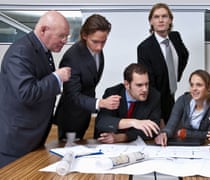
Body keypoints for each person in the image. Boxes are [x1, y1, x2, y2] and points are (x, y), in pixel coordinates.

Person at [0, 11, 71, 168]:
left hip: (33, 135)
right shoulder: (20, 52)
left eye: (66, 36)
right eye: (61, 36)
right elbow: (26, 93)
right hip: (17, 141)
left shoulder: (42, 50)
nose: (65, 41)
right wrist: (57, 77)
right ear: (44, 30)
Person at [54, 14, 121, 141]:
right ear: (84, 35)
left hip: (85, 114)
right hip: (70, 117)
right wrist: (100, 103)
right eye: (95, 42)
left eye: (103, 42)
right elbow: (73, 95)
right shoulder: (72, 58)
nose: (99, 47)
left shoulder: (97, 49)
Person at [137, 3, 189, 126]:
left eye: (164, 16)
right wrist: (158, 116)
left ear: (170, 20)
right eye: (156, 17)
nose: (160, 20)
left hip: (172, 95)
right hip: (157, 100)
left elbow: (184, 55)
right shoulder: (144, 48)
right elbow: (149, 84)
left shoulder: (175, 37)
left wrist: (176, 76)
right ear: (151, 21)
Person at [155, 69, 210, 146]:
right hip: (183, 145)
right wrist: (164, 133)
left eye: (199, 85)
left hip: (204, 146)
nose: (194, 89)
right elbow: (171, 125)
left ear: (208, 88)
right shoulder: (182, 100)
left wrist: (185, 133)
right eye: (192, 85)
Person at [94, 63, 161, 143]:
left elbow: (153, 130)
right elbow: (102, 122)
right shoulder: (113, 93)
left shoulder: (154, 96)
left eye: (147, 84)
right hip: (107, 146)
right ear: (127, 84)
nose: (145, 89)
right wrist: (133, 122)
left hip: (137, 146)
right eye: (139, 85)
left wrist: (123, 137)